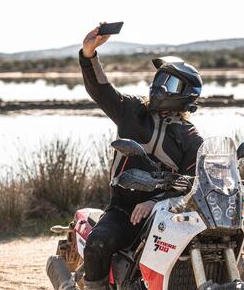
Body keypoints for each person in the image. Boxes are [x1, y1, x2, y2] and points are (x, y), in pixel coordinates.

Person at [79, 24, 204, 290]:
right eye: (158, 79)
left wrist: (157, 200)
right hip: (123, 208)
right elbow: (101, 90)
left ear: (187, 93)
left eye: (168, 82)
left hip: (167, 213)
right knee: (98, 242)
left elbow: (194, 181)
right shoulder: (132, 111)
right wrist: (89, 55)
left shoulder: (191, 138)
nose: (158, 86)